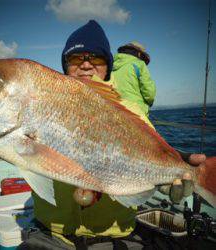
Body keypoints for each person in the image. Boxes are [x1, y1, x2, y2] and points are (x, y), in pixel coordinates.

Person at [18, 20, 207, 250]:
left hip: (116, 237)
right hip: (50, 234)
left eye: (96, 58)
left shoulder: (133, 111)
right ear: (65, 65)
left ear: (108, 65)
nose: (86, 65)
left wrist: (170, 173)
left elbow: (153, 153)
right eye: (76, 58)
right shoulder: (42, 102)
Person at [112, 41, 156, 117]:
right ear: (139, 53)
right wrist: (150, 102)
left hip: (114, 111)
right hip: (136, 112)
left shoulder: (111, 66)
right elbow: (149, 92)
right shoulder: (139, 64)